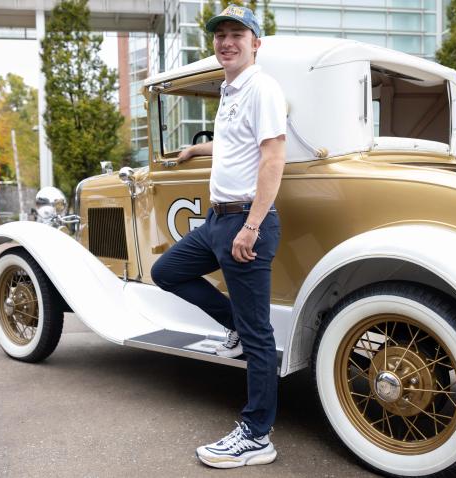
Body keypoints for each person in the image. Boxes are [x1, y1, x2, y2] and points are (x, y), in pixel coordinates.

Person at [149, 4, 287, 470]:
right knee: (166, 271)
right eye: (221, 34)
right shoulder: (232, 88)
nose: (227, 42)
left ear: (256, 44)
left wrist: (251, 226)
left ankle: (256, 434)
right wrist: (196, 148)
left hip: (246, 220)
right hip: (217, 220)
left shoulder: (261, 87)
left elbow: (273, 156)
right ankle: (234, 328)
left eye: (237, 35)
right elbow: (236, 141)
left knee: (259, 335)